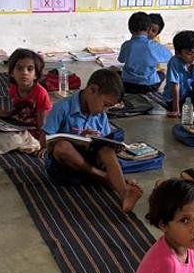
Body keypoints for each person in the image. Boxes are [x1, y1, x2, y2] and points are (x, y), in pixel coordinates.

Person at [42, 69, 143, 212]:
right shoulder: (62, 107)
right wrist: (77, 139)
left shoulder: (101, 116)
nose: (105, 110)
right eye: (105, 104)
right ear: (92, 90)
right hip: (64, 168)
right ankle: (105, 178)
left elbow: (104, 145)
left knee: (107, 151)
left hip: (89, 162)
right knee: (62, 147)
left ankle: (124, 193)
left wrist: (107, 144)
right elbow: (45, 141)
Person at [118, 12, 172, 94]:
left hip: (127, 84)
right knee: (162, 72)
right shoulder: (154, 46)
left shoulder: (126, 45)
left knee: (115, 72)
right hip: (149, 86)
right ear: (148, 28)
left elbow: (121, 60)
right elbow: (169, 55)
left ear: (129, 29)